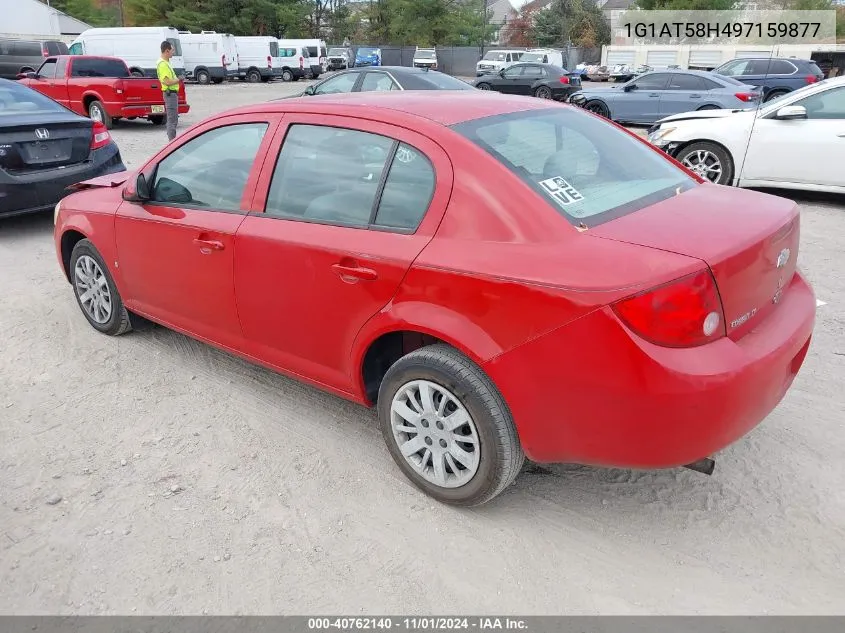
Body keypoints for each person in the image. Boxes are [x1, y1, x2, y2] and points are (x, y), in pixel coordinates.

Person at [156, 41, 180, 141]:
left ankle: (172, 141)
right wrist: (179, 79)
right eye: (172, 50)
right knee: (172, 121)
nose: (173, 52)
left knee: (173, 119)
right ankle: (172, 144)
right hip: (170, 94)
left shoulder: (166, 63)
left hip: (171, 94)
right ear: (167, 51)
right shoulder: (163, 64)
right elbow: (167, 82)